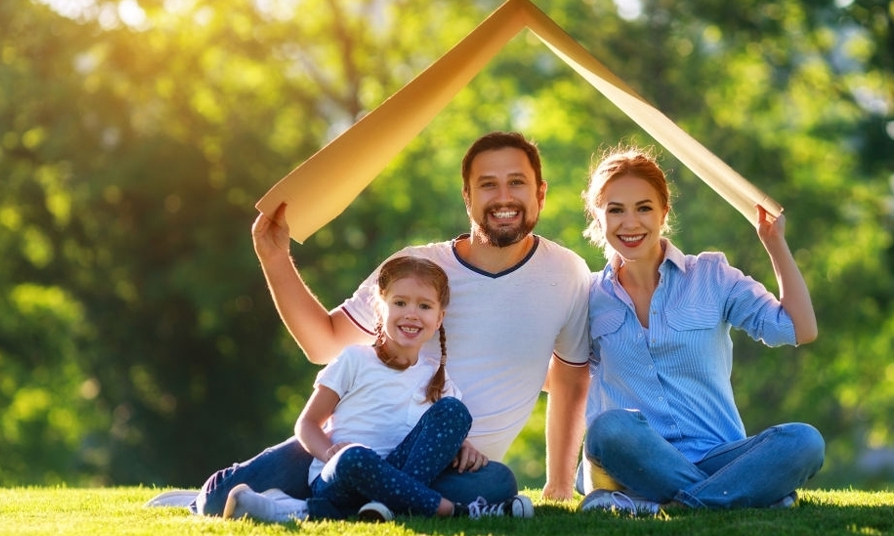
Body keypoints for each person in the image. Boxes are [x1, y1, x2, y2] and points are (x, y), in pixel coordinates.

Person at [193, 131, 591, 516]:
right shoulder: (417, 269)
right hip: (361, 442)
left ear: (540, 193)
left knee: (496, 484)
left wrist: (558, 485)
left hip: (450, 466)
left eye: (516, 182)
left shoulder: (567, 273)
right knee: (218, 502)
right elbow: (324, 344)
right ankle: (347, 502)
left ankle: (322, 506)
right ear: (467, 198)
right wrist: (275, 258)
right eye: (488, 185)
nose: (503, 197)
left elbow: (571, 378)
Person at [575, 146, 825, 515]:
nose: (630, 223)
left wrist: (775, 244)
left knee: (805, 441)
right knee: (608, 429)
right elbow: (564, 377)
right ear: (598, 218)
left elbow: (797, 329)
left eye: (644, 208)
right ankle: (746, 494)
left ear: (664, 212)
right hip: (636, 460)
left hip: (719, 456)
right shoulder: (587, 296)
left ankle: (666, 504)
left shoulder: (711, 276)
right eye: (615, 210)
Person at [222, 256, 533, 522]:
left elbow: (439, 436)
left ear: (439, 318)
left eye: (424, 306)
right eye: (400, 303)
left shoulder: (440, 381)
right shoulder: (355, 358)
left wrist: (462, 447)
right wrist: (330, 454)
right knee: (356, 457)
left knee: (474, 440)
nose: (411, 313)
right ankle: (453, 512)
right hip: (346, 473)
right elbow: (307, 423)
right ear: (380, 308)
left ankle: (357, 509)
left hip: (399, 473)